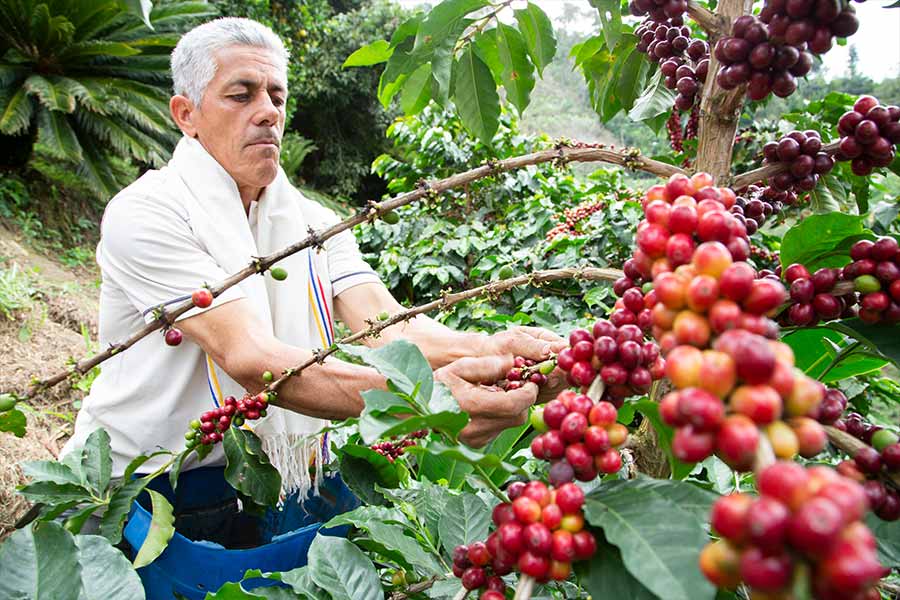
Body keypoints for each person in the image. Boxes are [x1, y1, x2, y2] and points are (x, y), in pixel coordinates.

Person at [59, 17, 566, 503]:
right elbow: (252, 359)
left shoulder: (312, 224)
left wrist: (498, 348)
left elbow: (391, 330)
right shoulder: (146, 213)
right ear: (185, 114)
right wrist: (425, 404)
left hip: (255, 482)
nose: (268, 112)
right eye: (241, 95)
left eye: (276, 97)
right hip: (136, 482)